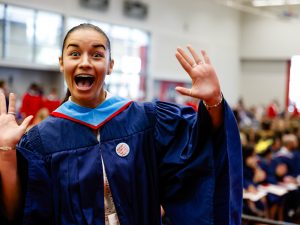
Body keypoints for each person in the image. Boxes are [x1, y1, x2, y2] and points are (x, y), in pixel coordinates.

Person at [0, 23, 242, 225]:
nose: (85, 62)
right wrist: (5, 152)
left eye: (97, 54)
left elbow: (203, 151)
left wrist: (213, 101)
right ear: (62, 63)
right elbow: (20, 212)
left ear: (111, 65)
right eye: (75, 54)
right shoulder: (42, 140)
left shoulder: (146, 120)